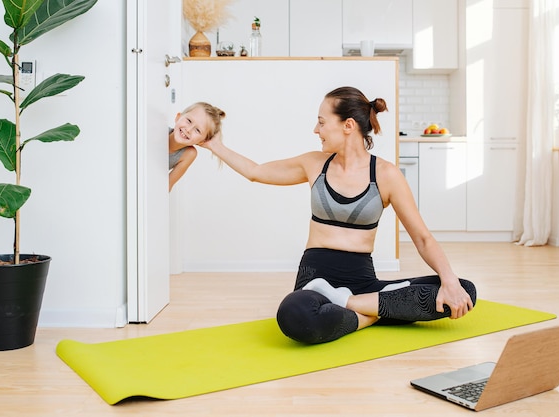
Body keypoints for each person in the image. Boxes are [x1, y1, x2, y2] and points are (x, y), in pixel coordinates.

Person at [199, 86, 476, 344]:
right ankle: (378, 310)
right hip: (315, 278)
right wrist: (213, 144)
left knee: (463, 290)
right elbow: (256, 172)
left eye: (321, 122)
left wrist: (449, 281)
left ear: (348, 125)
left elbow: (423, 239)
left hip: (363, 282)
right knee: (294, 313)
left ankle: (350, 305)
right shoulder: (313, 164)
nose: (315, 129)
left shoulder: (386, 175)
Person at [169, 102, 226, 191]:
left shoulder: (189, 154)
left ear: (202, 141)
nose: (188, 130)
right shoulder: (157, 130)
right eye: (189, 121)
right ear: (178, 117)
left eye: (198, 130)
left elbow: (167, 185)